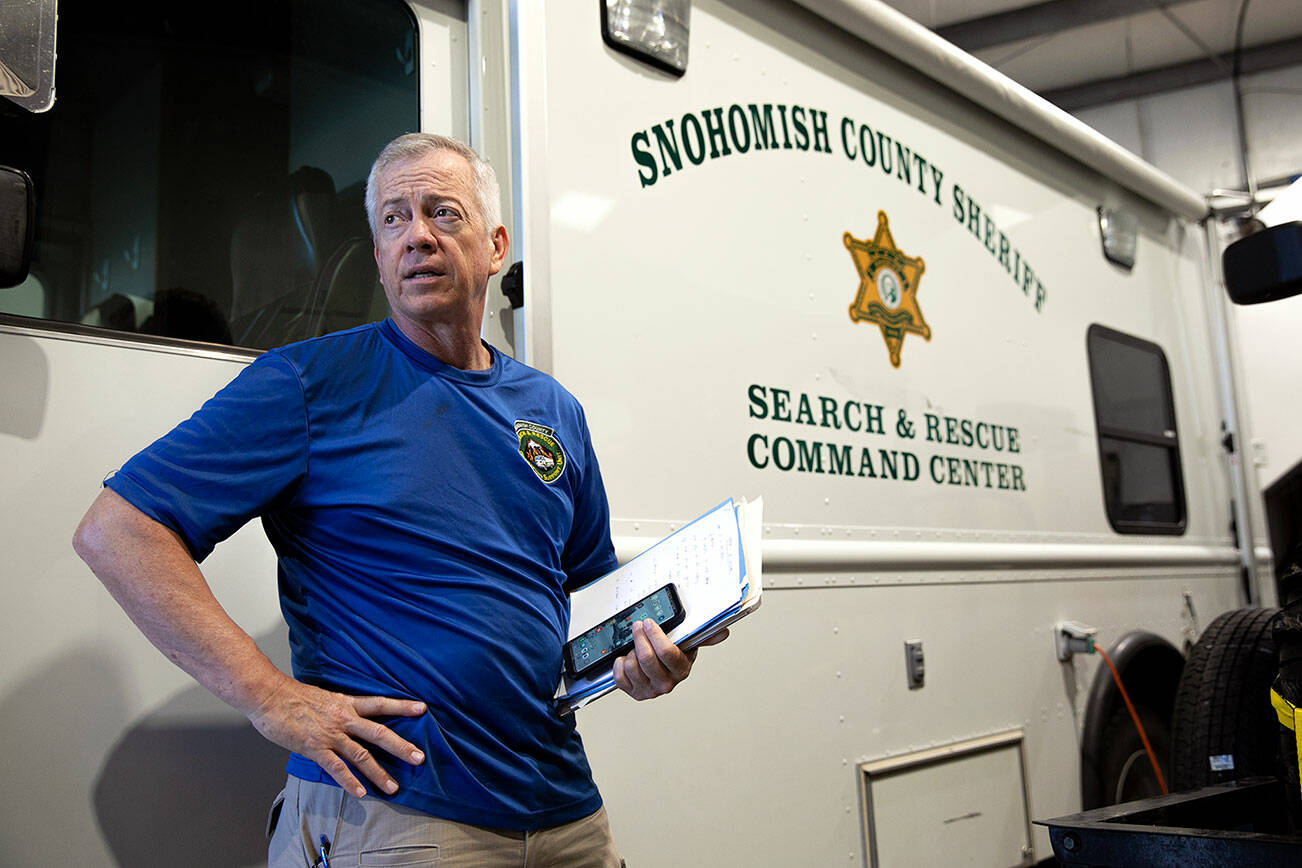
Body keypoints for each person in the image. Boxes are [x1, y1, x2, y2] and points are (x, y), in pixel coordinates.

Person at [73, 133, 724, 866]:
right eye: (392, 219)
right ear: (379, 256)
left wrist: (644, 659)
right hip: (398, 814)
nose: (416, 235)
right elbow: (119, 531)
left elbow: (592, 597)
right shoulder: (308, 384)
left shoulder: (553, 409)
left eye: (443, 213)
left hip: (565, 809)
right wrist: (269, 697)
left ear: (495, 244)